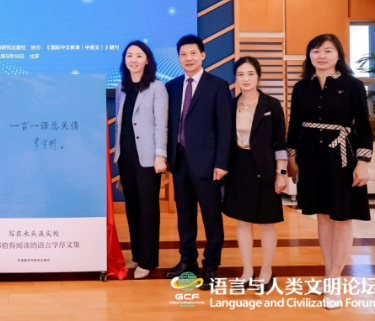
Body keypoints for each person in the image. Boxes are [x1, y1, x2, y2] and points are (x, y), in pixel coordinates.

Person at [287, 34, 372, 310]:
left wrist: (363, 162)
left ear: (338, 55)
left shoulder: (352, 85)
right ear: (309, 56)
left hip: (343, 158)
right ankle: (328, 275)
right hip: (311, 156)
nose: (321, 56)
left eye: (327, 50)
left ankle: (334, 281)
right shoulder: (301, 87)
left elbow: (364, 126)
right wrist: (292, 157)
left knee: (342, 218)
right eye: (315, 51)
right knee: (322, 218)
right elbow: (295, 125)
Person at [164, 34, 233, 290]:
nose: (188, 58)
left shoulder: (218, 85)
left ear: (202, 55)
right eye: (183, 54)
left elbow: (225, 127)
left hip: (209, 163)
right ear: (178, 58)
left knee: (211, 217)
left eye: (193, 53)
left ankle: (211, 265)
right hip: (179, 161)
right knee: (185, 216)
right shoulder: (171, 87)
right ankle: (188, 261)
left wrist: (222, 163)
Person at [222, 57, 288, 292]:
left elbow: (280, 142)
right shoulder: (230, 105)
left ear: (258, 76)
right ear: (235, 78)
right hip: (239, 166)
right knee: (243, 221)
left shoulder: (272, 104)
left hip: (265, 168)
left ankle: (266, 270)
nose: (246, 79)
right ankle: (247, 271)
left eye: (250, 73)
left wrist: (281, 172)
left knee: (267, 222)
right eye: (241, 74)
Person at [113, 41, 168, 279]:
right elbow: (119, 123)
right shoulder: (121, 87)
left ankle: (148, 260)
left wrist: (160, 155)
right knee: (132, 207)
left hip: (147, 155)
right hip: (126, 153)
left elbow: (162, 124)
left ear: (147, 60)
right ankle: (137, 255)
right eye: (129, 56)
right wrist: (118, 154)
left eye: (138, 55)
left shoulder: (157, 87)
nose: (133, 60)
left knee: (148, 208)